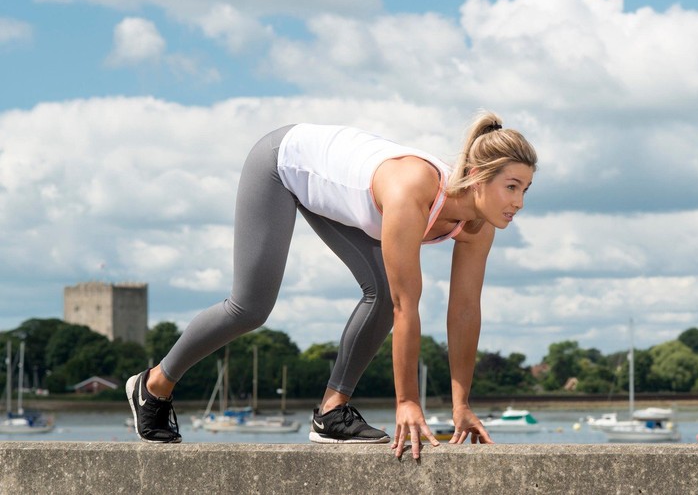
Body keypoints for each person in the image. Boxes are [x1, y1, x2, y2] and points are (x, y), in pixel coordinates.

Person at [125, 111, 538, 459]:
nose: (518, 202)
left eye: (525, 189)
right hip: (283, 164)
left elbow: (465, 310)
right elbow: (405, 305)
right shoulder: (413, 190)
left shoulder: (479, 226)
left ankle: (331, 414)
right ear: (479, 177)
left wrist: (461, 404)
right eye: (511, 187)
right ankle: (153, 386)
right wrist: (407, 402)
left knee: (377, 296)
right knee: (251, 307)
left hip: (343, 193)